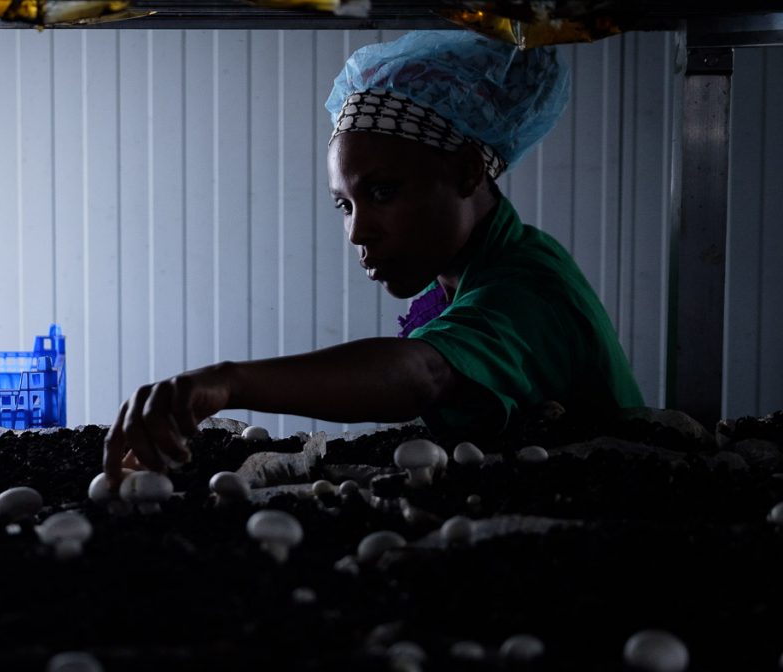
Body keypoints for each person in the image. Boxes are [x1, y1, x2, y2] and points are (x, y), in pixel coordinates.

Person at [103, 30, 643, 479]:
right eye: (345, 204)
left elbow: (423, 375)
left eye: (383, 192)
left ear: (467, 173)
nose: (359, 233)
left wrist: (229, 382)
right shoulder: (463, 276)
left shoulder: (527, 289)